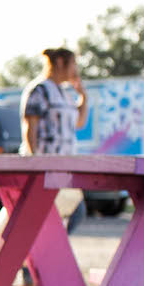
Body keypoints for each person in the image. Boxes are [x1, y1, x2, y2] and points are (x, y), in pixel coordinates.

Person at [20, 46, 87, 229]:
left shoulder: (64, 93)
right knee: (54, 214)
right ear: (59, 63)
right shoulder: (39, 90)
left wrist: (83, 97)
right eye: (73, 64)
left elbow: (79, 123)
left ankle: (46, 253)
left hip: (65, 165)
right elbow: (30, 126)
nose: (76, 69)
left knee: (73, 211)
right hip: (46, 164)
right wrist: (34, 161)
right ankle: (42, 253)